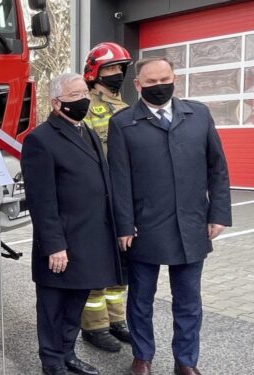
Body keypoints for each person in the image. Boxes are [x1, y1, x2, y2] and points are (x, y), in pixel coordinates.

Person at [108, 57, 231, 375]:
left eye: (165, 78)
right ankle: (142, 356)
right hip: (143, 226)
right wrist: (123, 225)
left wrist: (217, 213)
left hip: (191, 224)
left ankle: (186, 361)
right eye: (151, 82)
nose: (159, 86)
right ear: (138, 85)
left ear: (174, 78)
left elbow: (217, 167)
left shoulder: (198, 114)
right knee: (141, 299)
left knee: (189, 301)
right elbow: (119, 180)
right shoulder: (122, 123)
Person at [21, 72, 122, 375]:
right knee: (53, 308)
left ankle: (68, 354)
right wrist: (54, 245)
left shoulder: (86, 131)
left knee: (75, 304)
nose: (83, 100)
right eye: (74, 96)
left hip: (90, 239)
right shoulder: (40, 139)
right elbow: (42, 200)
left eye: (84, 94)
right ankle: (52, 361)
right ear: (56, 103)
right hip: (61, 243)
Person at [79, 42, 133, 352]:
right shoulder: (84, 105)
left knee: (120, 265)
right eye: (110, 69)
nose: (115, 74)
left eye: (119, 69)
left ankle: (116, 320)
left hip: (123, 200)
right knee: (97, 266)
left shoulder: (126, 107)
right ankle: (94, 327)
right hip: (97, 200)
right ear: (95, 72)